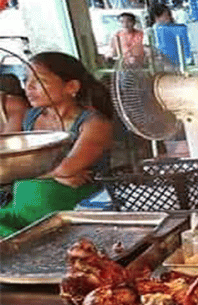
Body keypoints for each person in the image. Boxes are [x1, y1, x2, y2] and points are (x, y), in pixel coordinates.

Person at [0, 52, 115, 237]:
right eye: (26, 80)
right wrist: (52, 174)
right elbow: (8, 165)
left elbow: (66, 169)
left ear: (71, 86)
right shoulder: (30, 117)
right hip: (21, 213)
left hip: (68, 214)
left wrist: (30, 172)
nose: (29, 87)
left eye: (39, 81)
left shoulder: (94, 123)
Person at [149, 3, 192, 68]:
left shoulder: (179, 28)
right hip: (165, 63)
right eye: (164, 16)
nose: (168, 18)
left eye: (168, 15)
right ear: (156, 18)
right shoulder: (154, 30)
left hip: (180, 62)